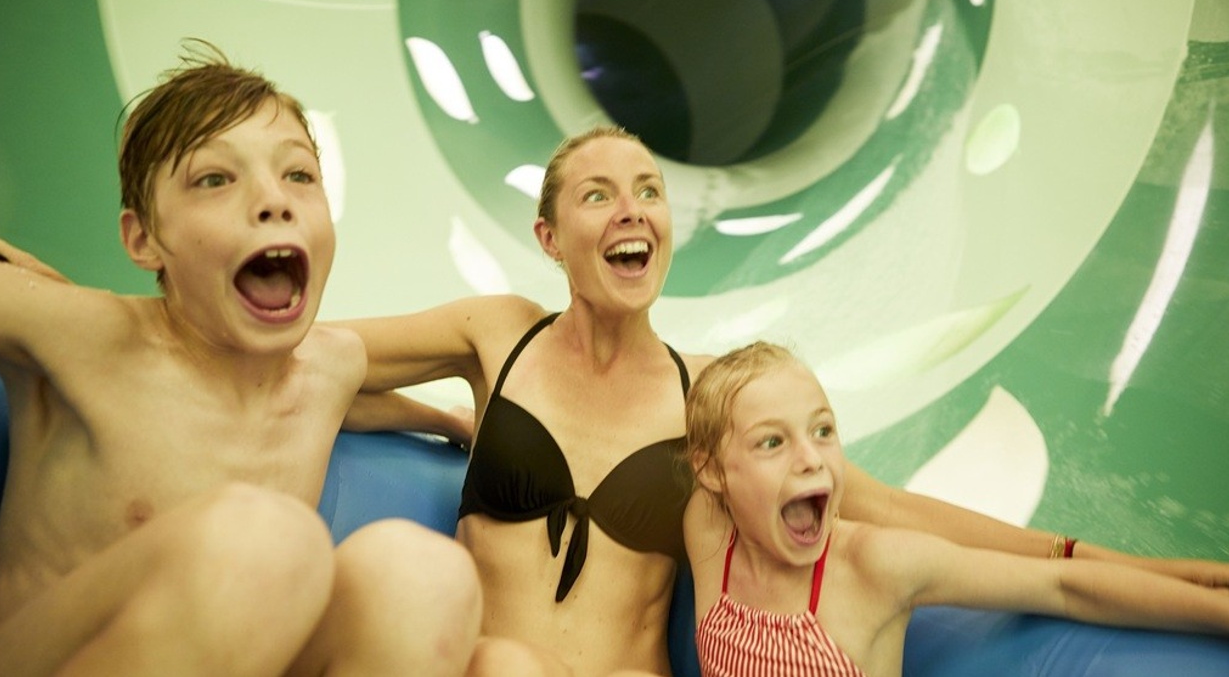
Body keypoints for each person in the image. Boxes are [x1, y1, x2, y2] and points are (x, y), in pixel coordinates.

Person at [341, 125, 1229, 676]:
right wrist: (444, 417)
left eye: (649, 191)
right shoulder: (497, 335)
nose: (632, 211)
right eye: (598, 195)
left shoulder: (712, 401)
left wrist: (1136, 563)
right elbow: (314, 357)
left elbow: (886, 507)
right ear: (549, 236)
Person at [0, 42, 479, 676]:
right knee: (266, 540)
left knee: (425, 574)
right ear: (144, 239)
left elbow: (353, 401)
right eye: (214, 179)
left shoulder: (328, 368)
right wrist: (36, 281)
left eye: (298, 174)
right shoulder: (81, 334)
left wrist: (451, 423)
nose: (274, 201)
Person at [682, 341, 1229, 677]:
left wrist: (1206, 598)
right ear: (710, 471)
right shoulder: (707, 531)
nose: (810, 459)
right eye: (771, 443)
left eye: (823, 430)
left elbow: (1061, 586)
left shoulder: (871, 566)